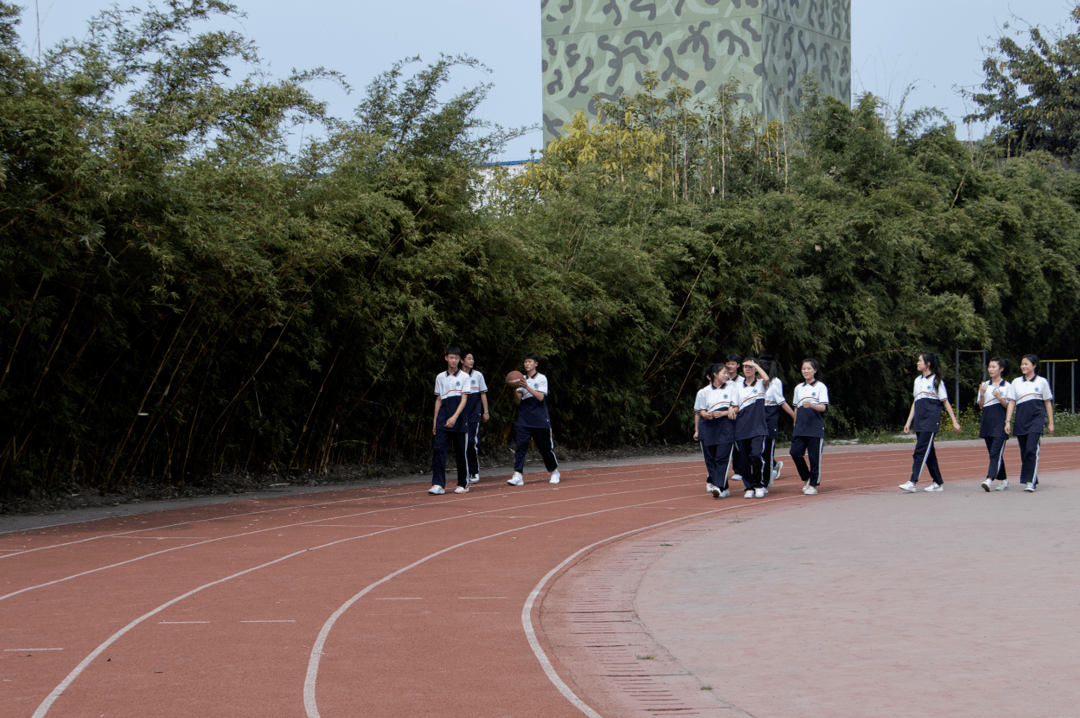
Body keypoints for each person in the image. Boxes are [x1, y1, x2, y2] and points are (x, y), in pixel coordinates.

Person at [899, 352, 961, 493]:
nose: (917, 363)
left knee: (920, 451)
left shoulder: (936, 381)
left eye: (920, 361)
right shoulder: (917, 381)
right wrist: (909, 421)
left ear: (928, 364)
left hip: (931, 421)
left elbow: (945, 402)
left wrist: (954, 422)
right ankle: (938, 483)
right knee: (929, 453)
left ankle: (912, 482)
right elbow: (916, 402)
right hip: (920, 422)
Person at [508, 353, 560, 486]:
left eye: (529, 362)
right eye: (525, 361)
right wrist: (515, 389)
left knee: (545, 448)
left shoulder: (542, 378)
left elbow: (541, 397)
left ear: (535, 364)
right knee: (520, 447)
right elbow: (517, 400)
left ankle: (554, 471)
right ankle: (517, 474)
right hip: (524, 418)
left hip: (540, 418)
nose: (527, 364)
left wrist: (527, 387)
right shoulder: (521, 379)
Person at [1005, 354, 1055, 492]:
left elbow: (1048, 403)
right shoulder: (1016, 382)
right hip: (1021, 421)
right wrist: (1008, 421)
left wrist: (1051, 423)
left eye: (1026, 364)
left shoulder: (1042, 382)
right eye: (1022, 364)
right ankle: (1032, 477)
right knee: (1024, 452)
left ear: (1034, 365)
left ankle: (1030, 482)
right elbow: (1011, 402)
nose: (1023, 366)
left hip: (1036, 421)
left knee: (1032, 450)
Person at [430, 346, 472, 495]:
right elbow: (438, 399)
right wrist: (435, 421)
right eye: (450, 357)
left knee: (461, 452)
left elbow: (464, 399)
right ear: (446, 358)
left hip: (459, 419)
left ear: (459, 360)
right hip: (442, 419)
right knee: (439, 450)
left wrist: (454, 417)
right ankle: (438, 484)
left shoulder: (465, 377)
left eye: (456, 358)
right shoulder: (440, 377)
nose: (453, 360)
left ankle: (463, 483)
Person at [694, 364, 738, 499]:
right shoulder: (703, 391)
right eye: (724, 373)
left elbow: (736, 408)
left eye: (727, 373)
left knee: (722, 457)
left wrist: (724, 413)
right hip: (709, 426)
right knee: (711, 458)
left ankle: (718, 487)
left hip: (726, 426)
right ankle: (723, 487)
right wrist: (705, 414)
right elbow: (700, 410)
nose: (726, 375)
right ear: (715, 374)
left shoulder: (732, 388)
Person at [789, 359, 829, 495]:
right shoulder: (798, 388)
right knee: (794, 453)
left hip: (815, 427)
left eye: (809, 368)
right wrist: (795, 422)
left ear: (815, 370)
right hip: (800, 427)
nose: (806, 371)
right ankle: (806, 477)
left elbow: (823, 407)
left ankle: (813, 484)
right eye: (804, 368)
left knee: (814, 457)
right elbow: (796, 407)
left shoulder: (820, 387)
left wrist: (812, 405)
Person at [734, 356, 772, 498]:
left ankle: (759, 484)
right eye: (745, 367)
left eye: (750, 367)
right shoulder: (737, 386)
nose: (748, 369)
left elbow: (767, 378)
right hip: (741, 428)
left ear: (755, 368)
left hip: (758, 428)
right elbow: (736, 406)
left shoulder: (761, 384)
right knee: (743, 459)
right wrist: (732, 410)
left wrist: (756, 365)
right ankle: (748, 487)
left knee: (755, 455)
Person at [979, 357, 1016, 492]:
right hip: (987, 421)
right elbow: (981, 406)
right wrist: (982, 394)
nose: (991, 369)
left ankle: (989, 479)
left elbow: (1009, 405)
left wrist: (1000, 398)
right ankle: (1004, 480)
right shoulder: (984, 385)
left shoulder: (1007, 386)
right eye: (989, 366)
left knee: (995, 452)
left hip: (1000, 421)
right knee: (993, 453)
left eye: (994, 367)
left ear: (1001, 369)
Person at [759, 356, 794, 486]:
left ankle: (767, 480)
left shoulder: (775, 382)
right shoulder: (753, 382)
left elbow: (782, 402)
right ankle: (772, 466)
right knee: (756, 451)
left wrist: (794, 416)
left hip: (770, 416)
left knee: (767, 450)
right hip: (757, 416)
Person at [462, 352, 490, 484]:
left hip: (474, 414)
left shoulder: (478, 375)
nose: (472, 361)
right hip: (461, 415)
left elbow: (483, 394)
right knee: (462, 444)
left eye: (472, 358)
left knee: (472, 443)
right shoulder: (457, 376)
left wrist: (486, 411)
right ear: (462, 361)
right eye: (469, 358)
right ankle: (464, 471)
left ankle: (474, 471)